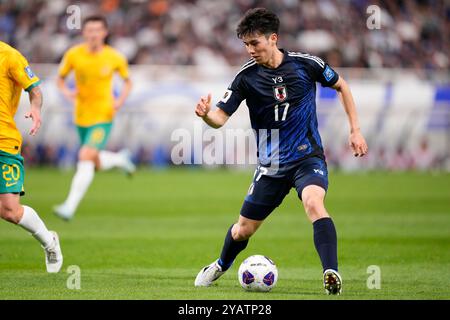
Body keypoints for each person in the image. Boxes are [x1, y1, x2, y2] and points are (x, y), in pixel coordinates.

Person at [194, 8, 368, 295]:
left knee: (314, 203)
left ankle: (331, 273)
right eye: (246, 45)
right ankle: (221, 265)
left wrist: (355, 130)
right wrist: (205, 115)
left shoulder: (306, 64)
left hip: (307, 157)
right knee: (242, 230)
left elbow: (341, 85)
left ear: (272, 38)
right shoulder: (245, 78)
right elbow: (219, 118)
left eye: (255, 43)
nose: (250, 50)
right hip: (271, 166)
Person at [54, 15, 135, 221]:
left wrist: (119, 101)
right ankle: (119, 159)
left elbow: (127, 82)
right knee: (93, 160)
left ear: (105, 32)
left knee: (85, 155)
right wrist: (66, 93)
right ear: (84, 33)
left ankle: (69, 207)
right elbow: (60, 79)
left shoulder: (115, 57)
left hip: (103, 115)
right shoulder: (73, 55)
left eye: (97, 30)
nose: (93, 34)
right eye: (89, 30)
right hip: (81, 116)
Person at [0, 41, 63, 272]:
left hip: (4, 140)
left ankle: (49, 241)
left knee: (9, 211)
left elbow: (34, 90)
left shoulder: (9, 56)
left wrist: (35, 109)